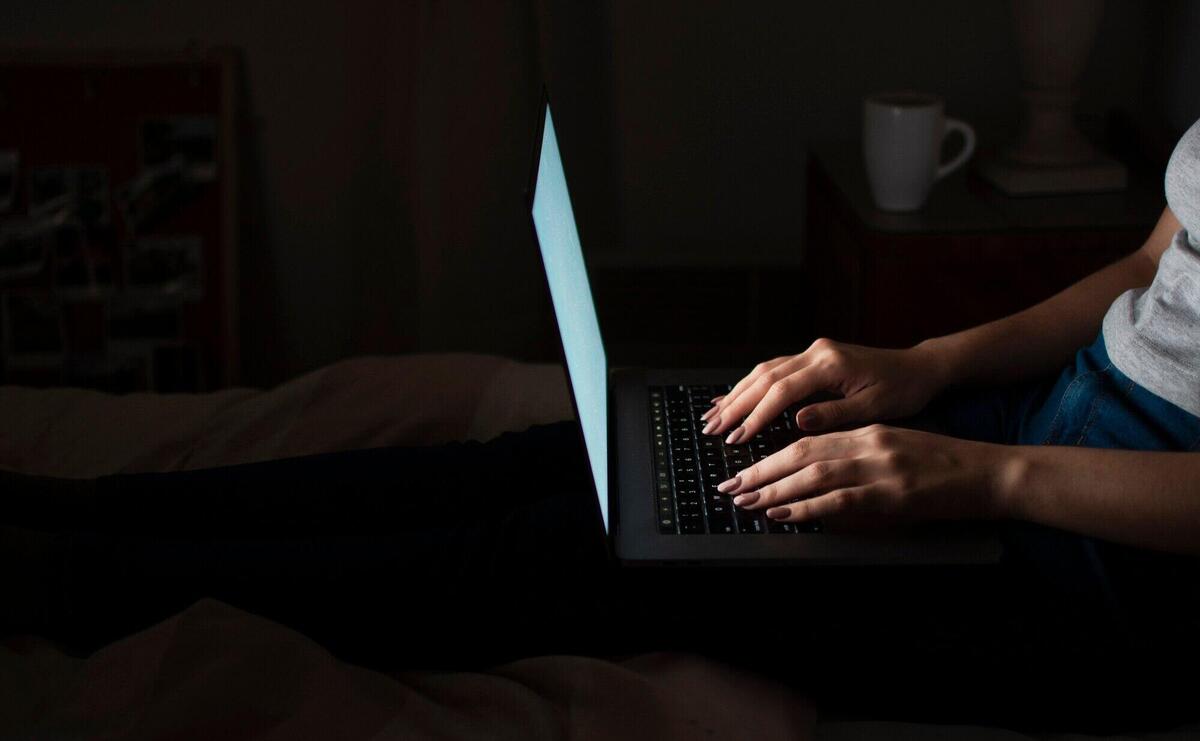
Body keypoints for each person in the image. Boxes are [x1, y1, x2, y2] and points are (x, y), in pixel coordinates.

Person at [4, 120, 1200, 731]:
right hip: (1044, 418)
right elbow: (1154, 261)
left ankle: (74, 581)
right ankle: (85, 513)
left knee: (578, 548)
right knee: (560, 461)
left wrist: (981, 481)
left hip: (1118, 577)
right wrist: (927, 368)